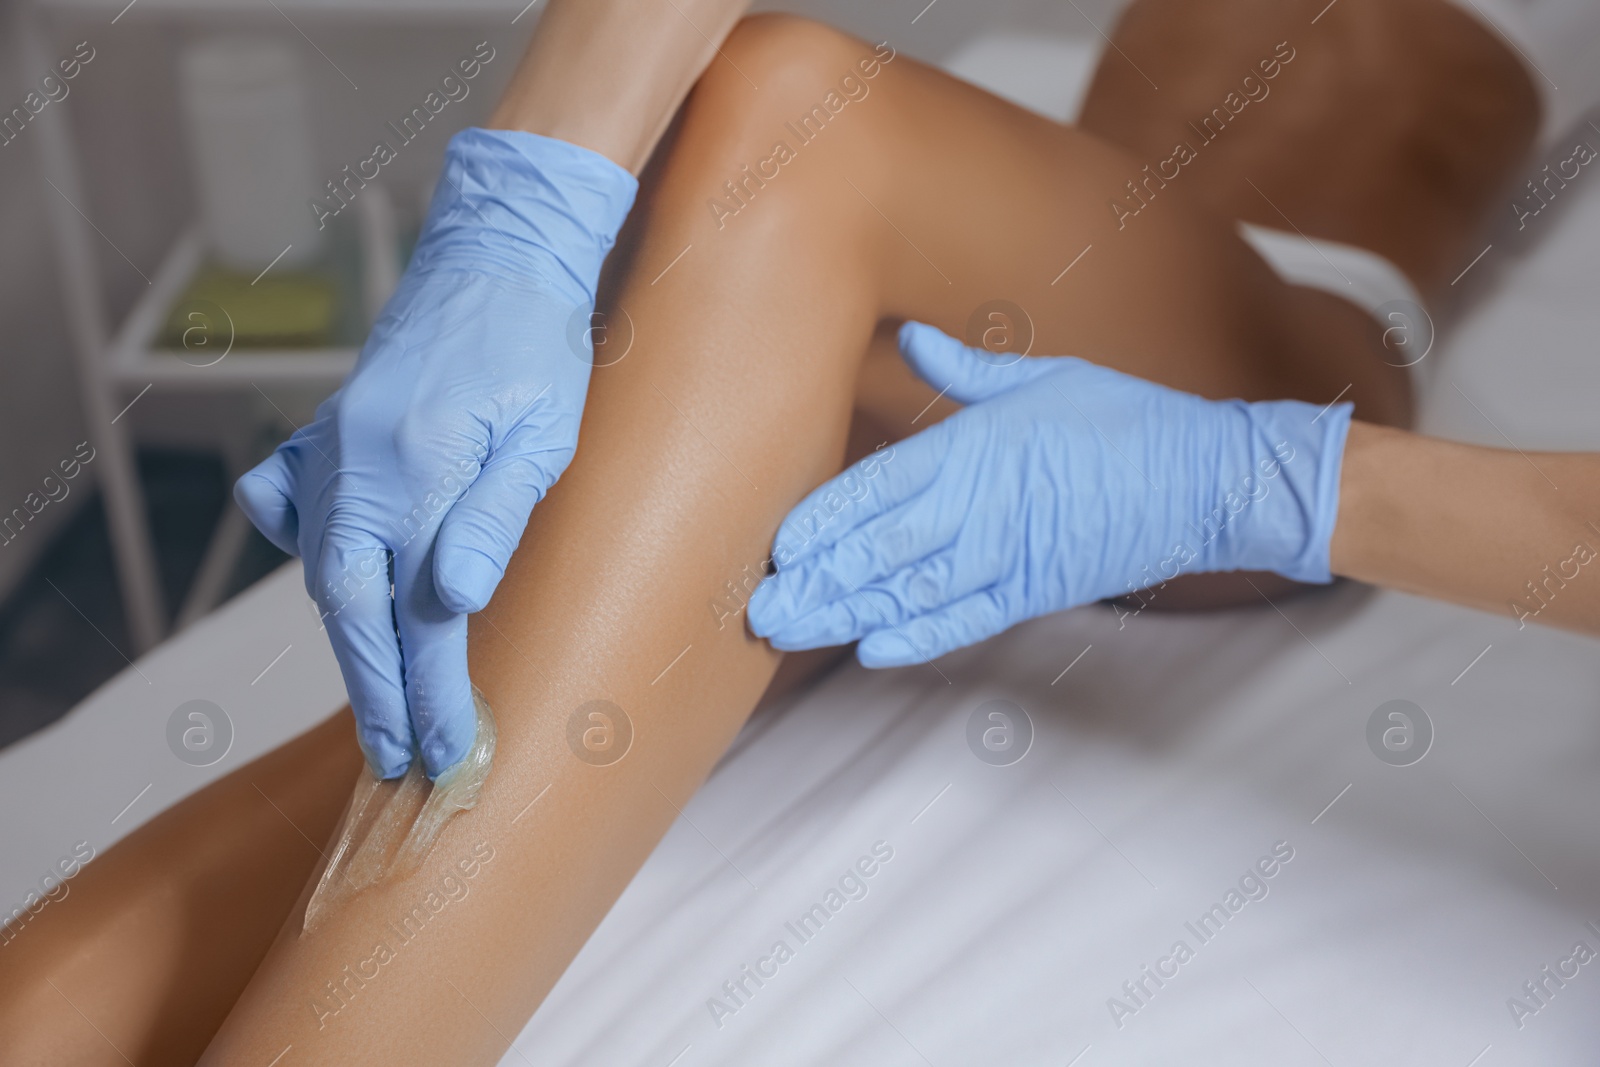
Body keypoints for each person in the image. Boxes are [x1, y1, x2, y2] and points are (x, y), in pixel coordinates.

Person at [3, 2, 1592, 1063]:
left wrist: (1283, 484)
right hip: (957, 269)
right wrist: (530, 199)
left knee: (790, 114)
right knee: (586, 638)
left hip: (1259, 343)